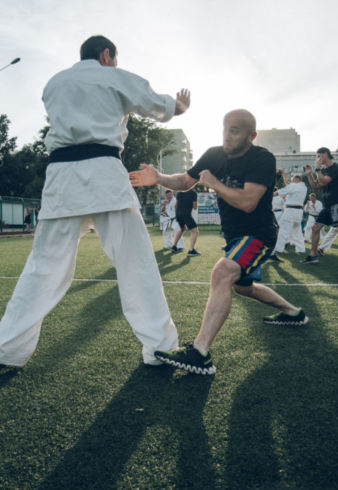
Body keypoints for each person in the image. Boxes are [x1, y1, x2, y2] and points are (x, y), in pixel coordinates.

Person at [0, 35, 190, 367]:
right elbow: (156, 105)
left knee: (42, 270)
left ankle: (6, 352)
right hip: (104, 176)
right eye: (114, 58)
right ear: (107, 54)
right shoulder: (112, 75)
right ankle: (159, 348)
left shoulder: (54, 83)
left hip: (61, 179)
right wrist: (180, 106)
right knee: (135, 264)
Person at [129, 109, 308, 375]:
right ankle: (294, 313)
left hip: (259, 235)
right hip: (236, 237)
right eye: (225, 128)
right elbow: (186, 181)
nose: (227, 135)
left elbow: (248, 202)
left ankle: (200, 353)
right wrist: (160, 178)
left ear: (252, 136)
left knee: (222, 272)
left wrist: (213, 183)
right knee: (243, 288)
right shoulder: (213, 154)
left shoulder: (262, 159)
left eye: (235, 130)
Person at [272, 169, 307, 255]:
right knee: (297, 231)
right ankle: (301, 249)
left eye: (292, 180)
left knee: (283, 229)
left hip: (290, 210)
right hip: (299, 212)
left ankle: (279, 249)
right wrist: (284, 174)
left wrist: (269, 194)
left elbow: (280, 192)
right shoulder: (303, 187)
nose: (291, 182)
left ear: (296, 180)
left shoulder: (293, 186)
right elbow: (289, 185)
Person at [171, 189, 200, 256]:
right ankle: (191, 250)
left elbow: (175, 205)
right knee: (195, 231)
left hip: (178, 215)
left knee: (182, 228)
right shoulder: (193, 193)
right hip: (186, 214)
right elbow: (195, 207)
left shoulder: (180, 192)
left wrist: (177, 214)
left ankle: (174, 246)